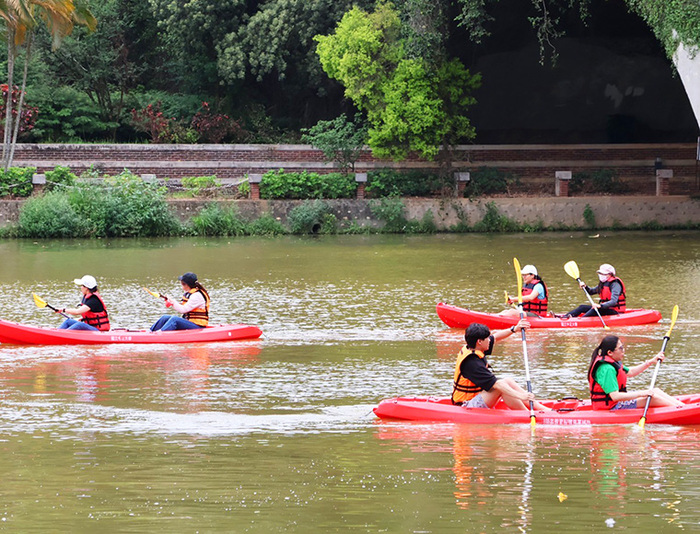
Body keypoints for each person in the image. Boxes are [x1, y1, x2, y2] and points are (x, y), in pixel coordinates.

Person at [452, 320, 550, 410]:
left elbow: (495, 337)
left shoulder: (473, 346)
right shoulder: (472, 362)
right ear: (480, 342)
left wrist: (514, 329)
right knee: (502, 387)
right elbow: (497, 385)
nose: (489, 340)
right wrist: (520, 396)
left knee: (507, 381)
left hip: (478, 396)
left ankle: (544, 410)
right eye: (487, 338)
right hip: (466, 405)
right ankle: (525, 414)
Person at [587, 335, 683, 410]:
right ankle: (681, 410)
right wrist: (642, 393)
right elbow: (615, 396)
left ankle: (682, 407)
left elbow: (631, 372)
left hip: (616, 403)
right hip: (611, 407)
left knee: (656, 391)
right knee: (652, 398)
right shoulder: (606, 368)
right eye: (620, 348)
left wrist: (650, 362)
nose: (623, 351)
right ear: (610, 352)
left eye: (623, 347)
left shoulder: (612, 363)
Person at [558, 263, 626, 319]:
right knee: (582, 307)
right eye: (600, 273)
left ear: (610, 274)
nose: (601, 275)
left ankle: (581, 321)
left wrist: (600, 306)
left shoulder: (615, 285)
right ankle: (565, 317)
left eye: (603, 274)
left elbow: (613, 301)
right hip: (605, 309)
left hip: (615, 311)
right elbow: (591, 291)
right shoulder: (603, 283)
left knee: (595, 309)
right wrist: (585, 287)